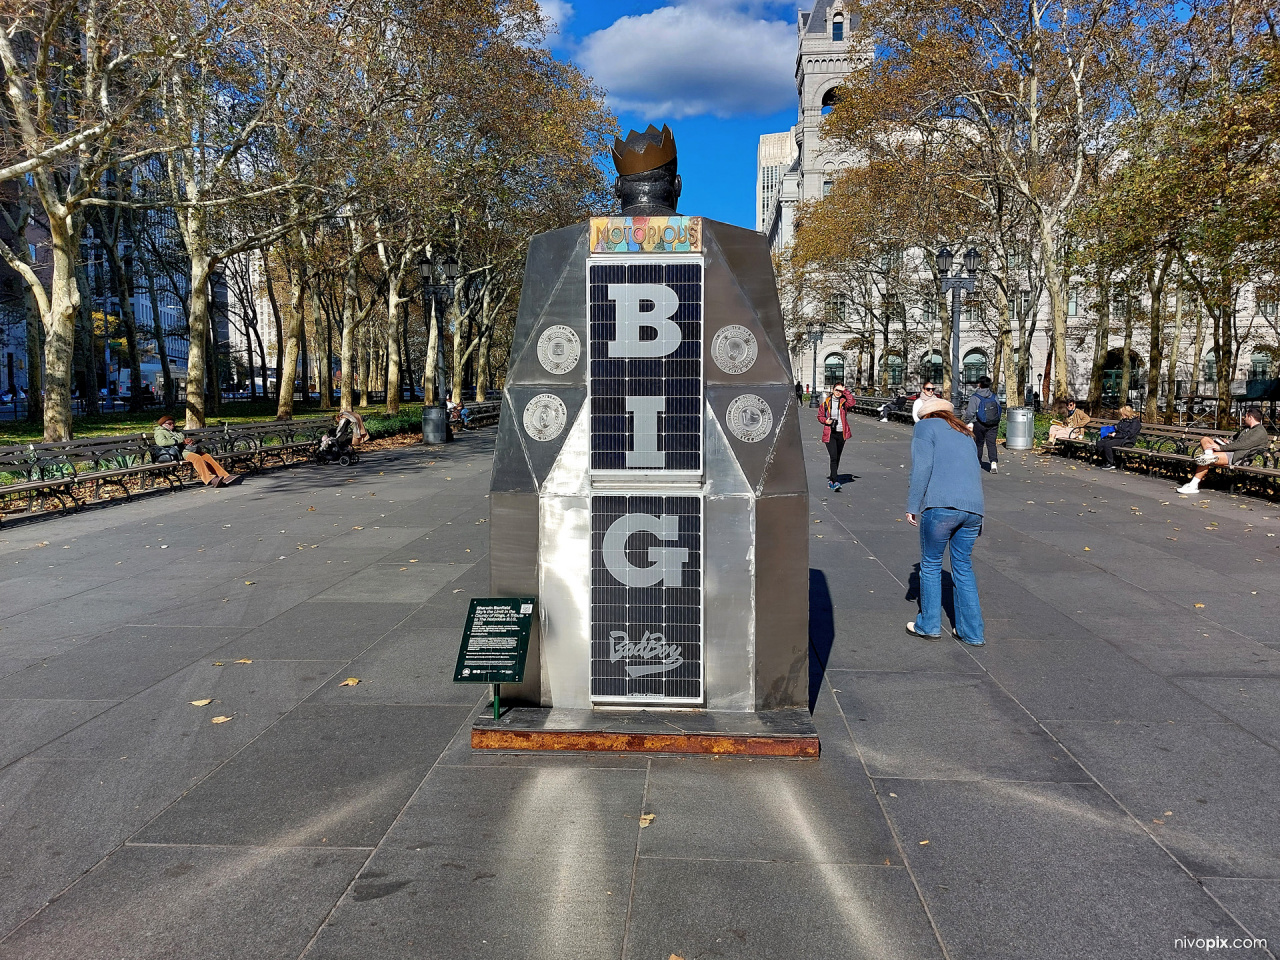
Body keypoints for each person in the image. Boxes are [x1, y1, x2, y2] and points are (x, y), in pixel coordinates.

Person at [905, 396, 986, 646]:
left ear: (927, 415)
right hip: (973, 509)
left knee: (930, 564)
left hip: (940, 506)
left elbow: (922, 467)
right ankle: (972, 633)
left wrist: (912, 505)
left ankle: (928, 625)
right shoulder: (964, 433)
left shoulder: (924, 428)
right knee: (962, 566)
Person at [1177, 406, 1270, 494]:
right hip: (1230, 450)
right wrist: (1226, 441)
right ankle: (1209, 455)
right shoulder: (1246, 429)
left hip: (1239, 457)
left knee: (1205, 460)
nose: (1243, 418)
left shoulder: (1260, 432)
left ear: (1250, 417)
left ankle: (1193, 485)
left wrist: (1220, 448)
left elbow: (1243, 445)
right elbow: (1234, 440)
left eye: (1245, 416)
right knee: (1205, 439)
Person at [154, 415, 241, 487]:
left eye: (173, 423)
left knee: (206, 456)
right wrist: (180, 441)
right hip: (177, 452)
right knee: (197, 458)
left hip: (186, 449)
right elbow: (161, 442)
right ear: (163, 424)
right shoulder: (159, 432)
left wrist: (189, 441)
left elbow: (182, 439)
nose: (172, 425)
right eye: (170, 423)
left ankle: (225, 476)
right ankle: (210, 479)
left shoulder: (176, 431)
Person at [817, 381, 855, 491]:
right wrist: (826, 420)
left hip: (841, 433)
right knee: (833, 457)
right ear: (832, 390)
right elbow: (819, 416)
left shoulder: (844, 402)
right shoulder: (826, 403)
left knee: (837, 457)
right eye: (836, 390)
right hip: (830, 433)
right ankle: (834, 480)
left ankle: (833, 477)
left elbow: (852, 403)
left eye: (840, 391)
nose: (838, 392)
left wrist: (845, 391)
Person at [964, 375, 1002, 474]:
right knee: (991, 444)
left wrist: (967, 421)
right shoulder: (994, 396)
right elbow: (999, 409)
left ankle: (978, 463)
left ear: (979, 384)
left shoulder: (975, 397)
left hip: (979, 423)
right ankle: (993, 463)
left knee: (979, 443)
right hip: (993, 423)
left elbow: (970, 412)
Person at [1097, 405, 1141, 471]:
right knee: (1100, 443)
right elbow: (1118, 429)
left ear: (1126, 414)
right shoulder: (1124, 420)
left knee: (1107, 445)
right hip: (1119, 437)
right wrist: (1111, 433)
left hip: (1128, 440)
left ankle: (1111, 463)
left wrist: (1116, 435)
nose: (1121, 415)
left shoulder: (1135, 422)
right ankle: (1107, 459)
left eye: (1122, 414)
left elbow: (1129, 434)